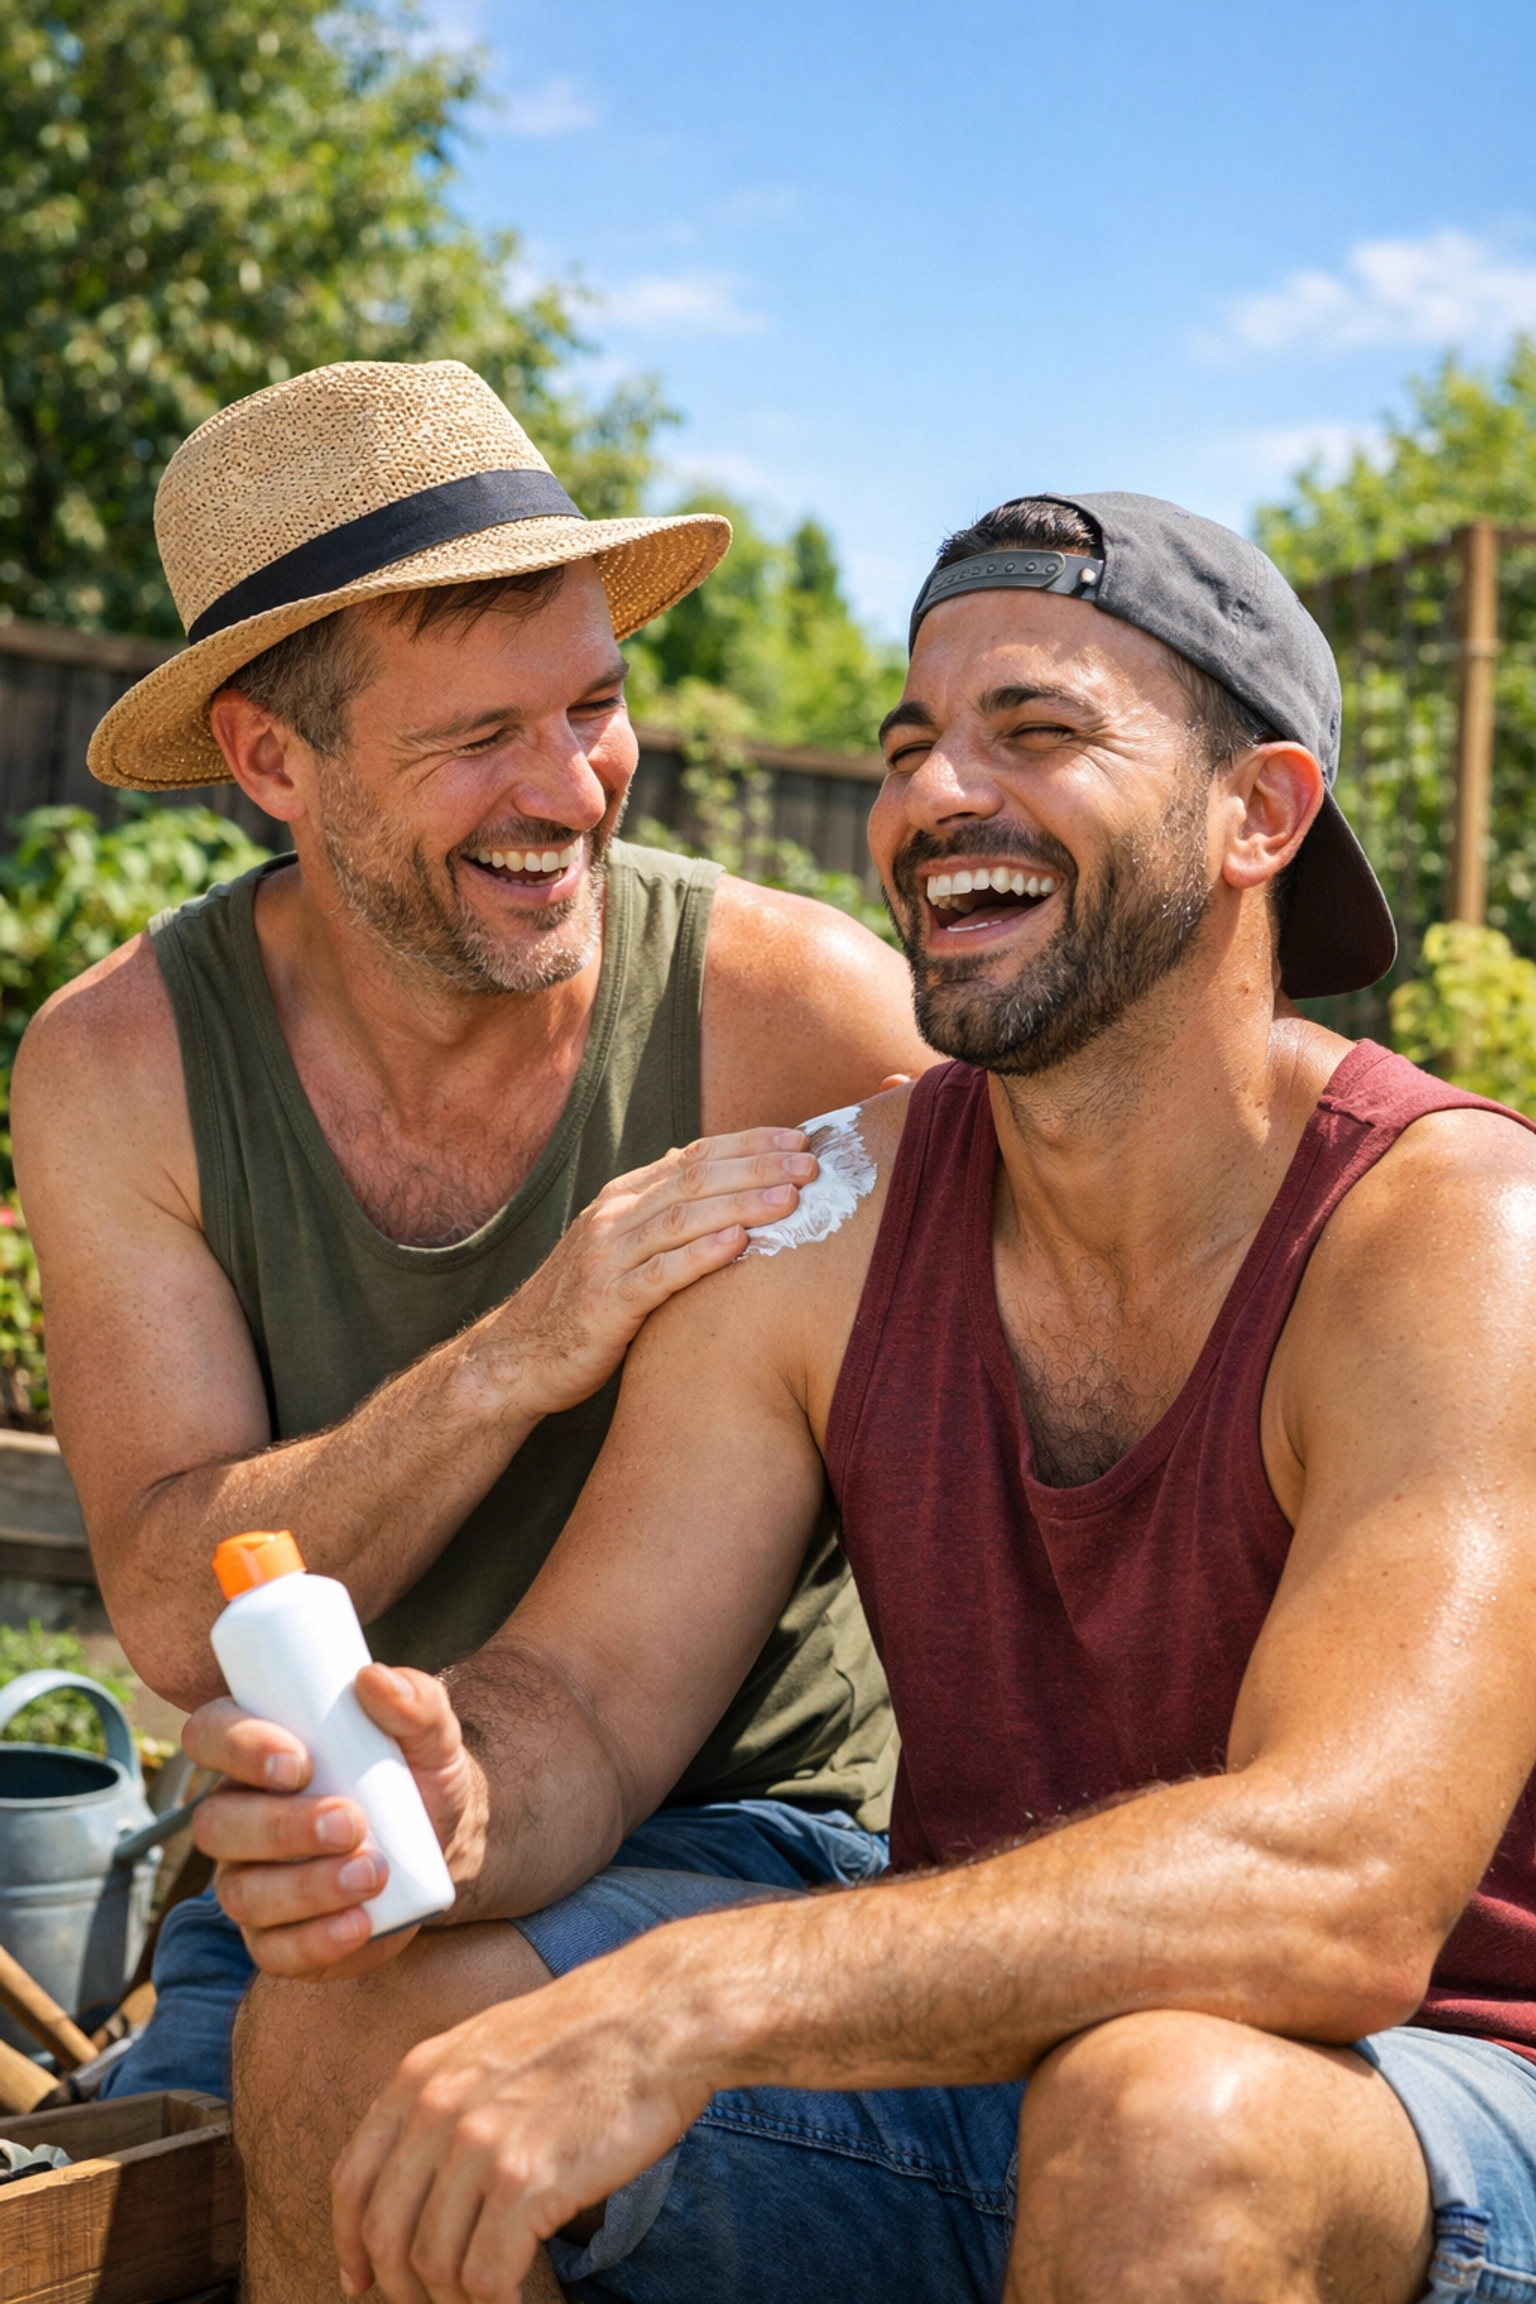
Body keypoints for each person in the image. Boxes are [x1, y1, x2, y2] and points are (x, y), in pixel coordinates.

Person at [192, 491, 1536, 2304]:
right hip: (996, 2063)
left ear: (1260, 816)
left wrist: (699, 1994)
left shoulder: (1452, 1234)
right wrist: (440, 1783)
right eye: (913, 746)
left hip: (1418, 2110)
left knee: (1167, 2118)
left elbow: (1343, 1888)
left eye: (1037, 732)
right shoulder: (834, 1210)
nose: (934, 796)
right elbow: (585, 1702)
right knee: (359, 2040)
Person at [11, 358, 930, 2102]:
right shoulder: (121, 1063)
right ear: (271, 759)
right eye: (475, 738)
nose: (574, 791)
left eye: (593, 703)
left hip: (751, 1845)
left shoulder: (801, 1017)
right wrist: (521, 1350)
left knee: (377, 2102)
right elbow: (168, 1608)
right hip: (334, 1872)